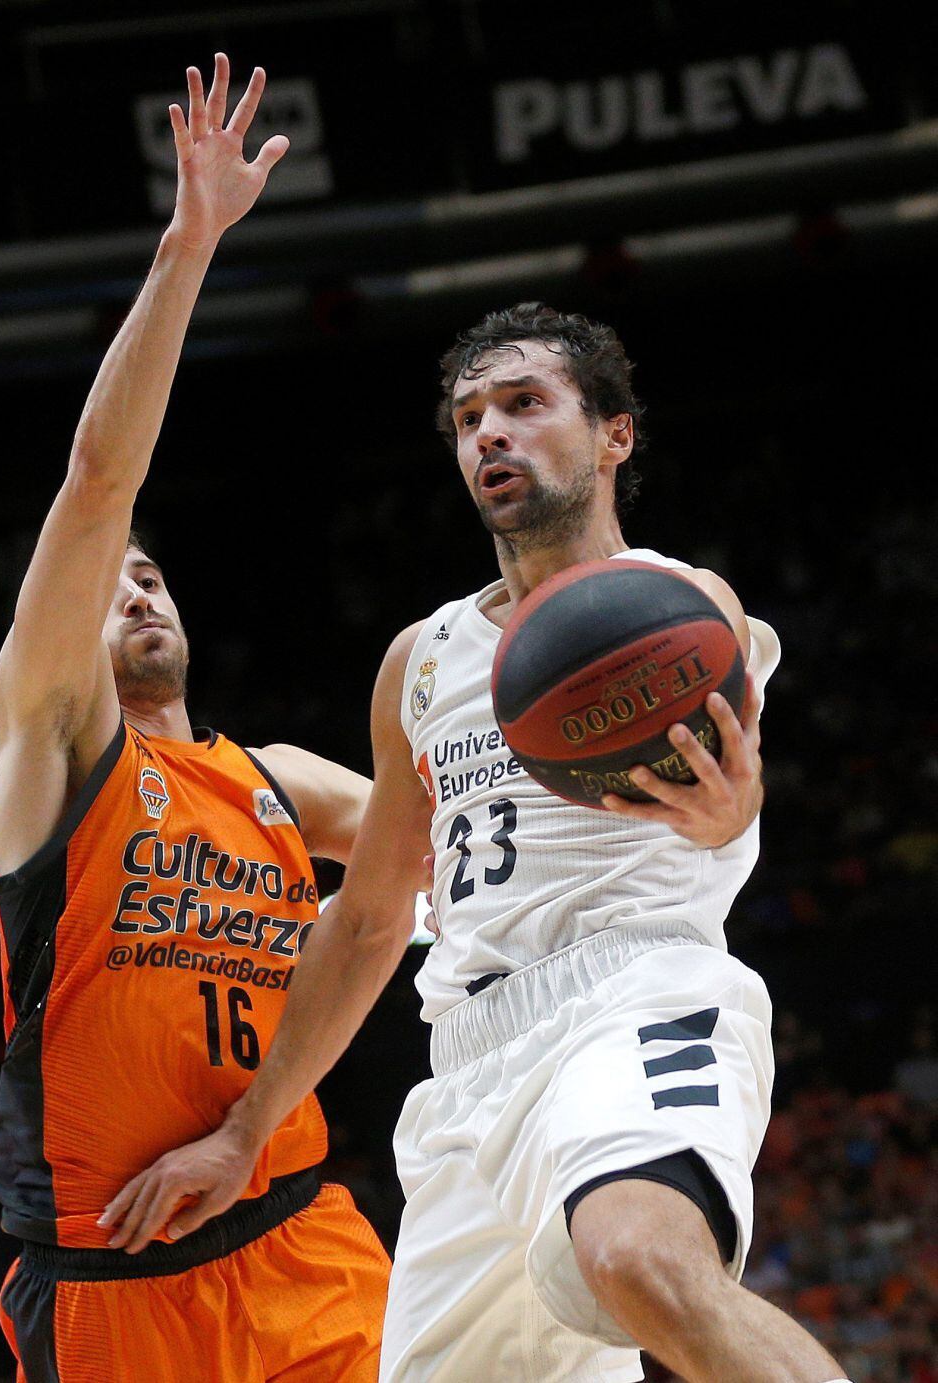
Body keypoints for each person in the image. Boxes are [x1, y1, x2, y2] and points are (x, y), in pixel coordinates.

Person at [106, 301, 856, 1382]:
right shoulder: (421, 660)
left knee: (641, 1260)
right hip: (464, 1065)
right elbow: (368, 918)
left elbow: (731, 803)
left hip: (633, 989)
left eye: (523, 404)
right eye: (467, 417)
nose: (488, 434)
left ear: (614, 435)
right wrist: (245, 1130)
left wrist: (731, 812)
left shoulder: (675, 606)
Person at [0, 57, 389, 1382]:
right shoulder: (54, 751)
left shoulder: (273, 781)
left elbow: (454, 837)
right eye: (114, 582)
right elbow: (101, 484)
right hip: (122, 1292)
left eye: (155, 573)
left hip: (306, 1239)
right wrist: (189, 245)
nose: (135, 582)